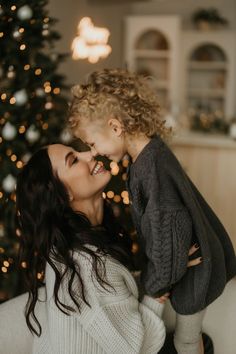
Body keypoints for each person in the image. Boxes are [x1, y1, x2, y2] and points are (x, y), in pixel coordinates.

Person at [67, 68, 236, 354]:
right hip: (190, 263)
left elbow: (169, 242)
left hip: (198, 271)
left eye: (92, 143)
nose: (94, 152)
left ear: (116, 127)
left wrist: (152, 284)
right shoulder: (148, 155)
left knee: (185, 340)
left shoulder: (151, 170)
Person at [14, 144, 201, 354]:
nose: (90, 153)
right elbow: (139, 347)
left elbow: (117, 293)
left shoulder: (78, 248)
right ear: (63, 194)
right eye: (73, 160)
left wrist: (167, 263)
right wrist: (164, 279)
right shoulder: (84, 265)